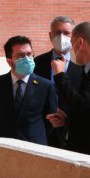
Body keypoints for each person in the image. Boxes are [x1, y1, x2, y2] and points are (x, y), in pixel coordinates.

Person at [47, 21, 90, 160]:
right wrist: (66, 120)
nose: (70, 48)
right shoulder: (89, 69)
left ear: (79, 43)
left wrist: (60, 75)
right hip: (84, 148)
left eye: (71, 42)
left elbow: (79, 103)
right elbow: (88, 110)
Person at [0, 36, 57, 145]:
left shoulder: (45, 86)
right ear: (9, 61)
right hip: (2, 145)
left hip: (34, 147)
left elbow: (50, 120)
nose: (27, 59)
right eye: (21, 56)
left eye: (29, 54)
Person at [34, 16, 84, 148]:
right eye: (57, 33)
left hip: (72, 133)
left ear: (74, 36)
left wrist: (67, 121)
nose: (62, 37)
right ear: (50, 36)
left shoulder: (83, 64)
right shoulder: (36, 63)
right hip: (42, 132)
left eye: (67, 33)